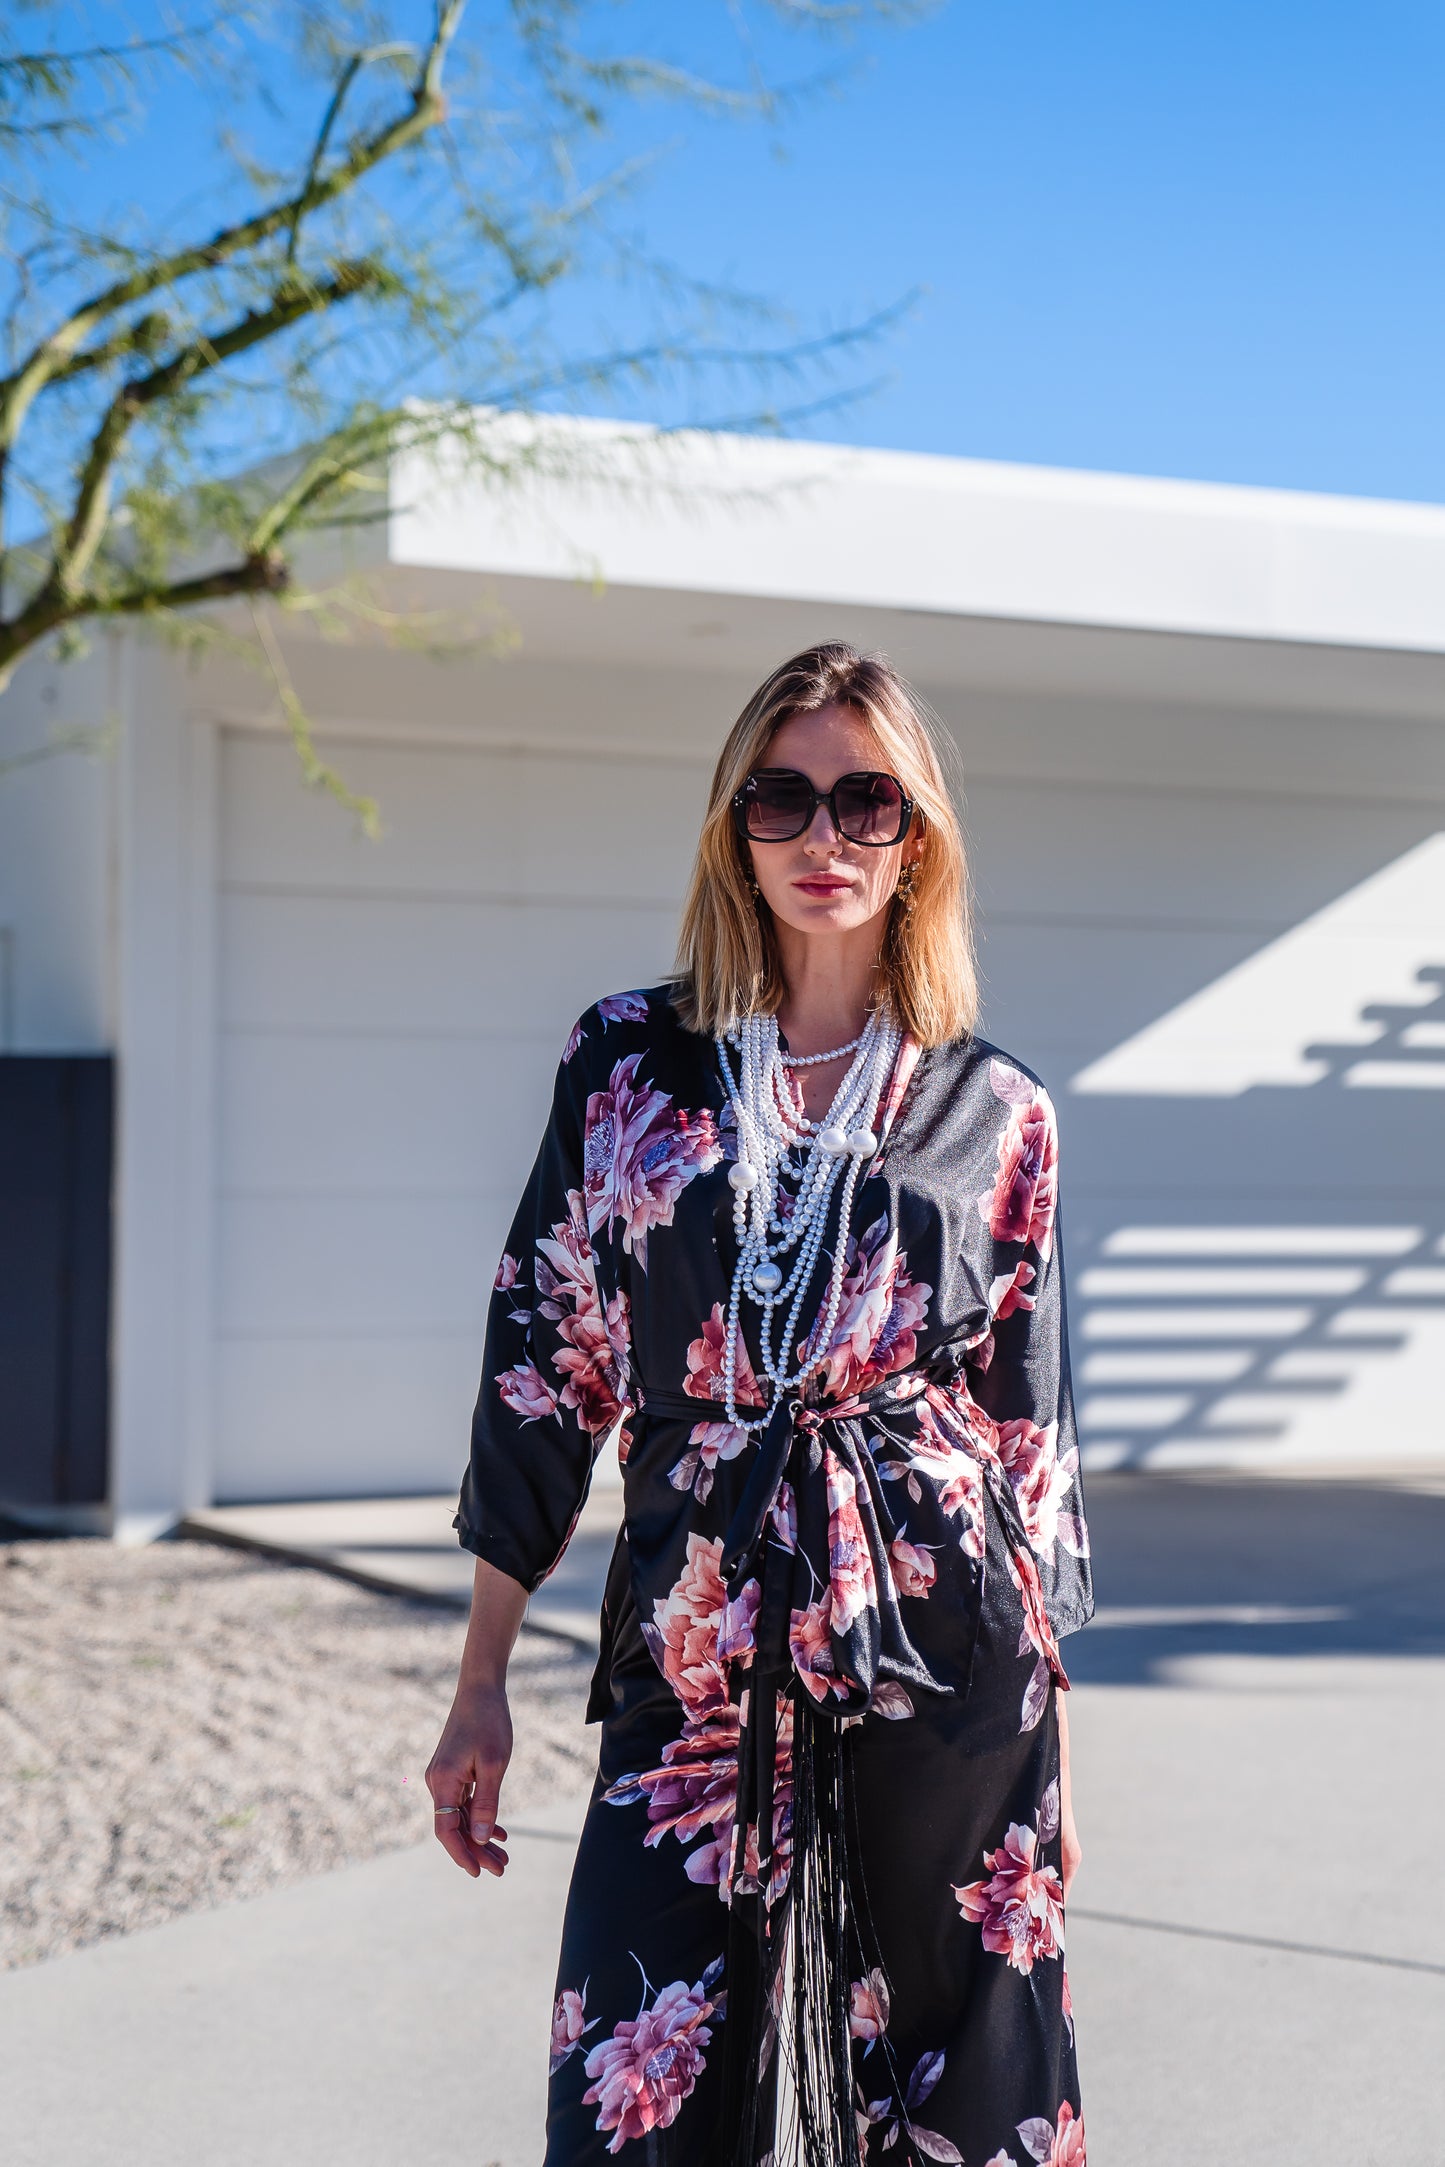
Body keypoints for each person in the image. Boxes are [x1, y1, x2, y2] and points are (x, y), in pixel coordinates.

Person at [427, 643, 1092, 2167]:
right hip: (695, 1623)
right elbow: (546, 1359)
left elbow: (1027, 1439)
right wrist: (478, 1678)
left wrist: (1061, 1759)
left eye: (868, 800)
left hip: (941, 1634)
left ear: (917, 837)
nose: (823, 836)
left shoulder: (999, 1110)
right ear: (733, 826)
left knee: (961, 2081)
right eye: (781, 797)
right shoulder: (626, 1065)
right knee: (634, 2068)